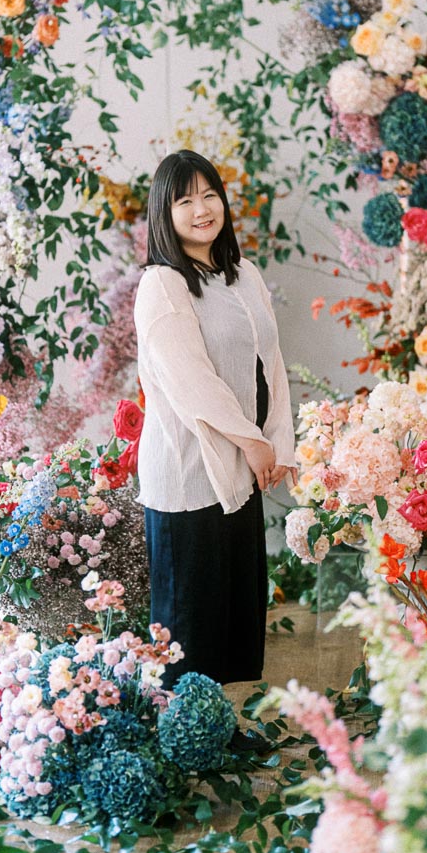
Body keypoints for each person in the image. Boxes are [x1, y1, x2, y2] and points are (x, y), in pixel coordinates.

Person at [134, 148, 297, 695]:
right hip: (188, 474)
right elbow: (190, 378)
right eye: (185, 200)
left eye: (209, 195)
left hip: (242, 467)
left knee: (235, 608)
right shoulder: (162, 284)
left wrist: (277, 442)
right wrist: (253, 443)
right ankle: (186, 737)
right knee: (190, 619)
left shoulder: (242, 274)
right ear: (165, 212)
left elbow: (268, 362)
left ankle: (223, 726)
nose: (202, 209)